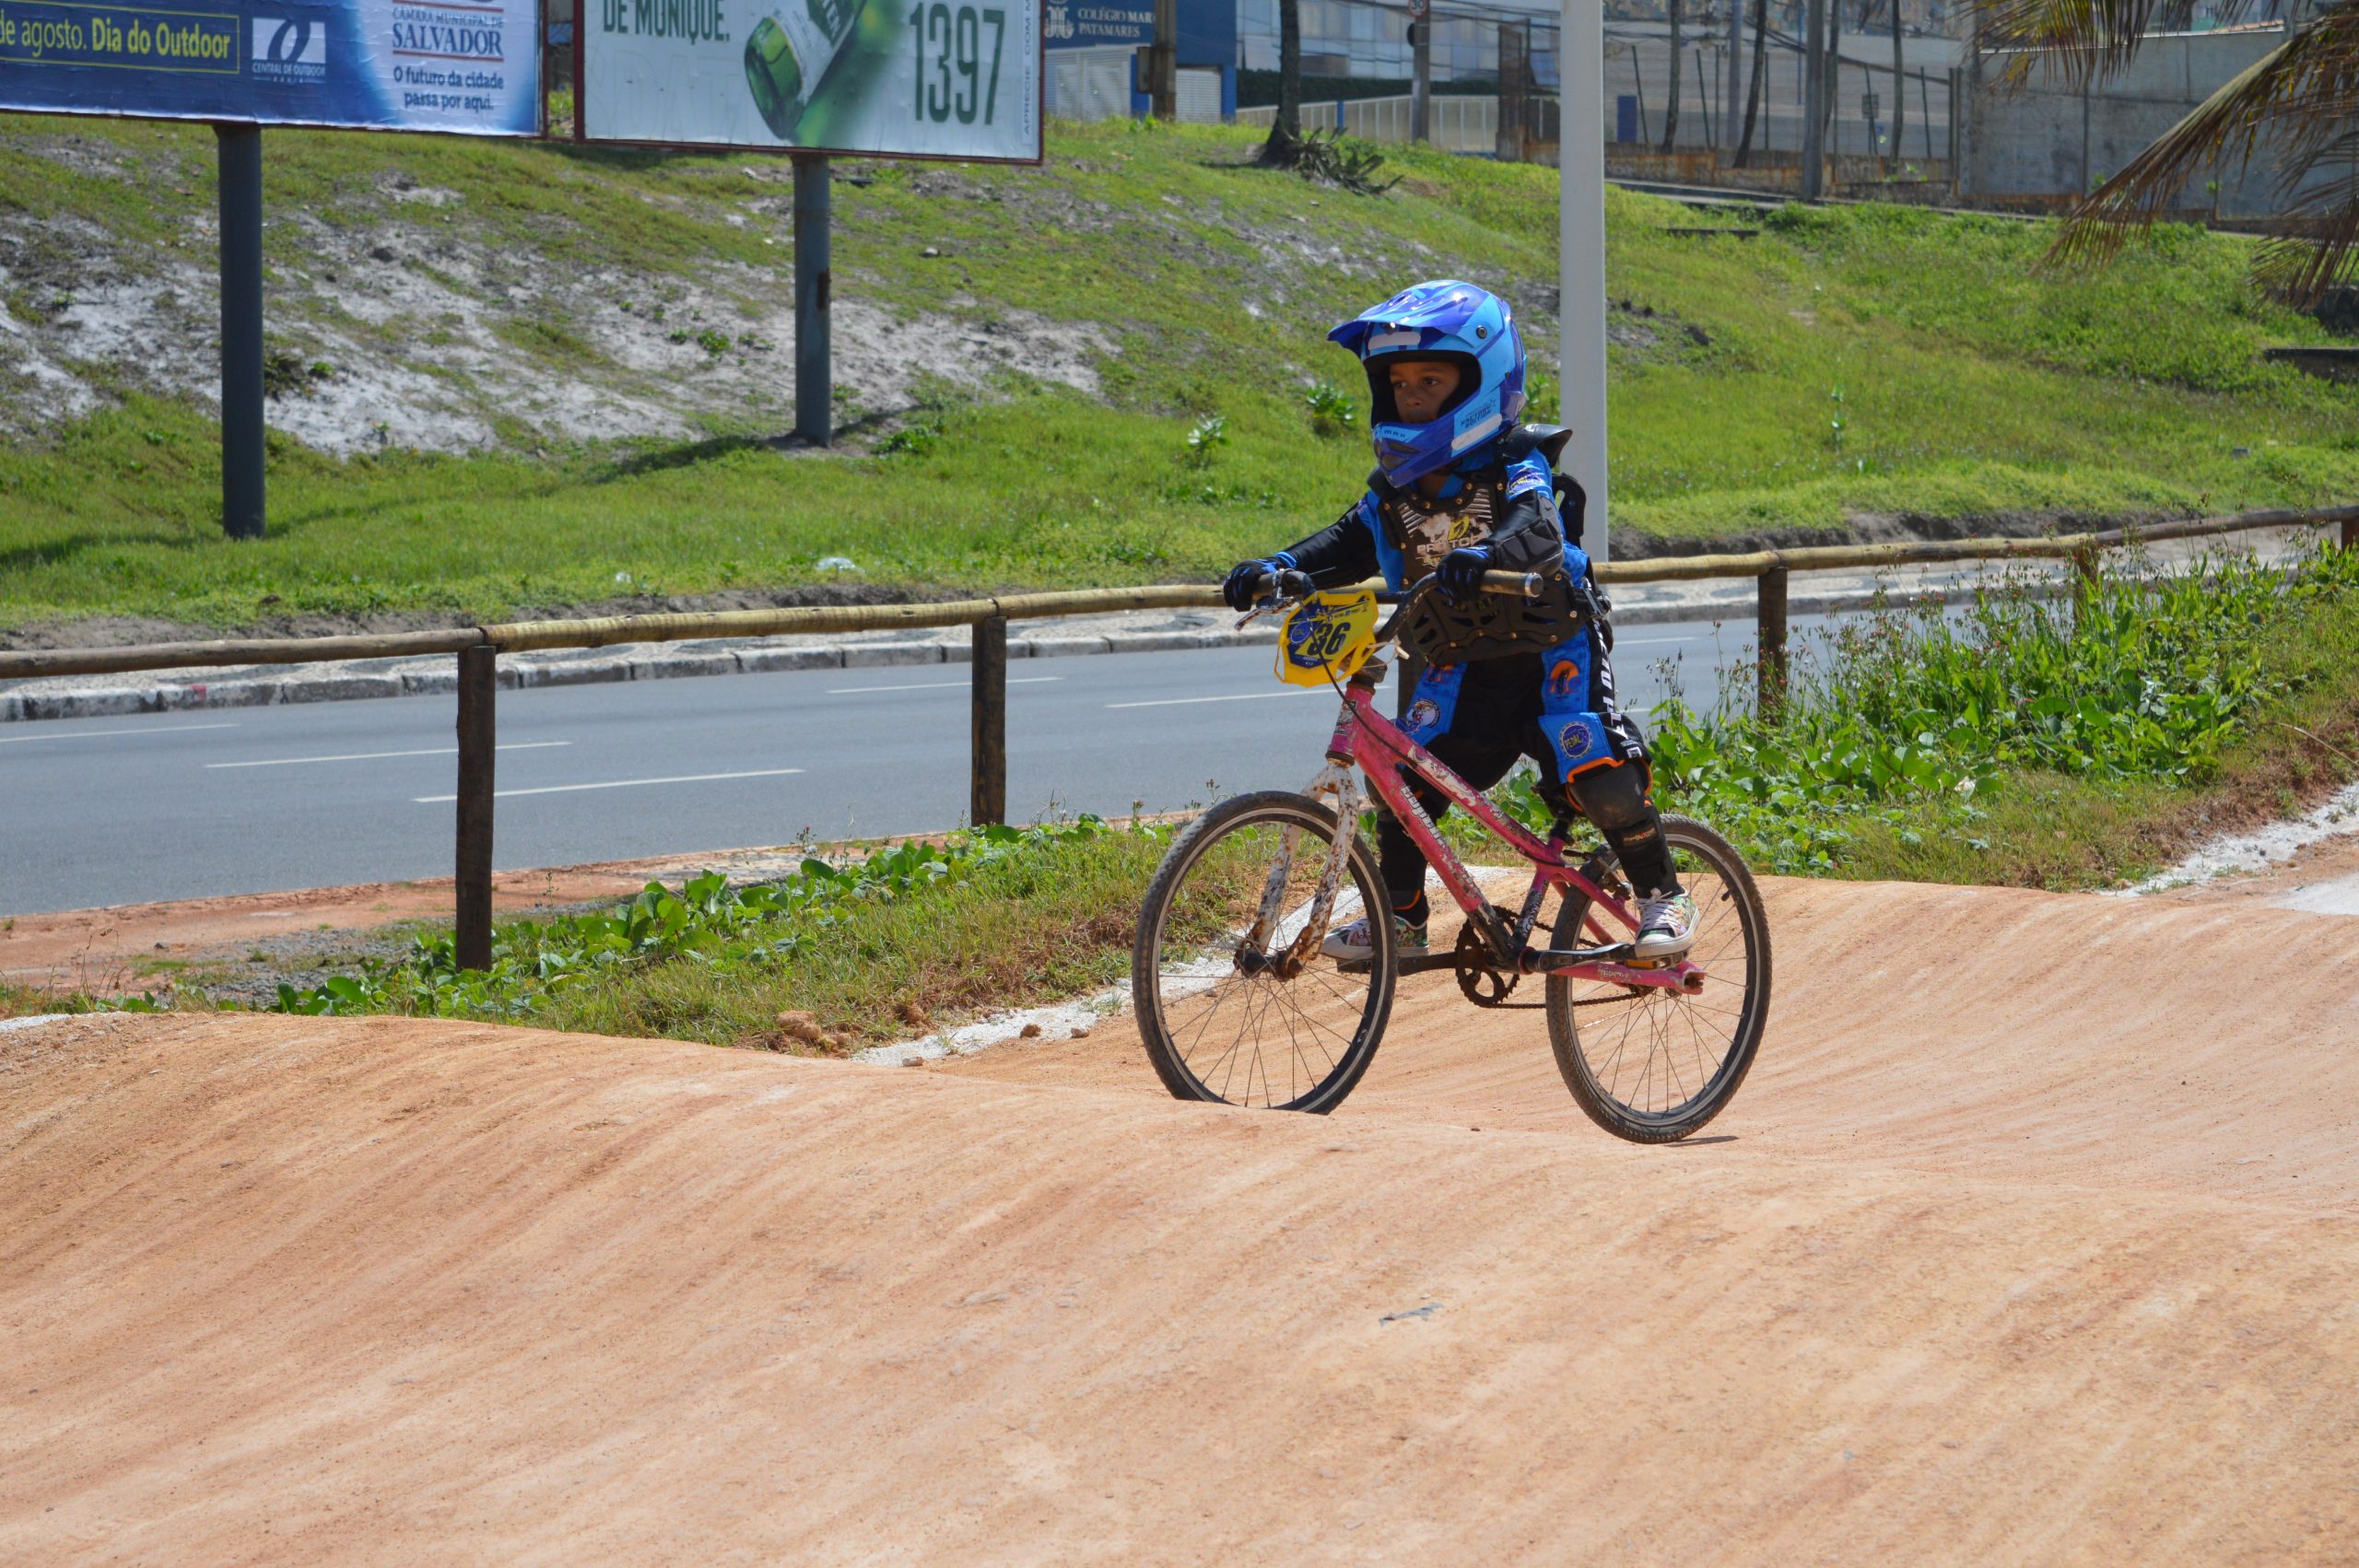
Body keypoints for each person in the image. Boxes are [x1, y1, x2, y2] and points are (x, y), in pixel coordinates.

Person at [1220, 279, 1695, 963]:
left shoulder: (1515, 464)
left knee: (1593, 760)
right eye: (1400, 381)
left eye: (1431, 380)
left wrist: (1489, 553)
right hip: (1461, 664)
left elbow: (1536, 526)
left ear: (1483, 379)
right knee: (1403, 785)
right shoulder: (1394, 490)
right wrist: (1278, 565)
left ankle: (1663, 895)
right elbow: (1345, 544)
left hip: (1551, 651)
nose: (1411, 395)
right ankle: (1401, 920)